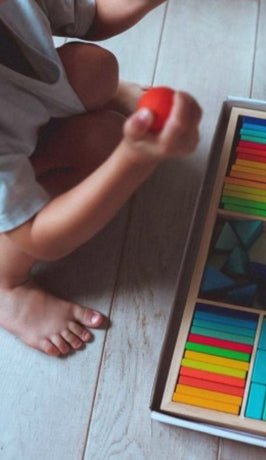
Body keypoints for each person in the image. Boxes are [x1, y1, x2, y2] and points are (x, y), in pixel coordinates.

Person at [0, 0, 202, 357]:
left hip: (16, 118)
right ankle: (7, 287)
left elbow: (88, 15)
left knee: (95, 69)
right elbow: (40, 237)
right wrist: (135, 158)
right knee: (104, 146)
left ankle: (52, 117)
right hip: (21, 210)